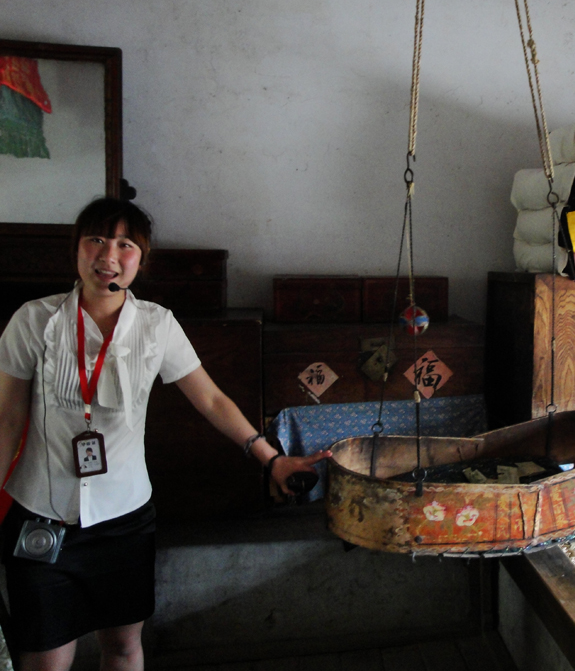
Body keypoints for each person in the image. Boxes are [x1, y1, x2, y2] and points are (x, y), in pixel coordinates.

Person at [0, 197, 331, 671]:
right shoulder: (34, 321)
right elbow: (7, 420)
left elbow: (211, 400)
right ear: (76, 248)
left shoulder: (157, 325)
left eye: (125, 244)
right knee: (45, 659)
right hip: (42, 516)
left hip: (124, 520)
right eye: (96, 239)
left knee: (123, 647)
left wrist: (271, 458)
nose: (108, 255)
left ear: (141, 258)